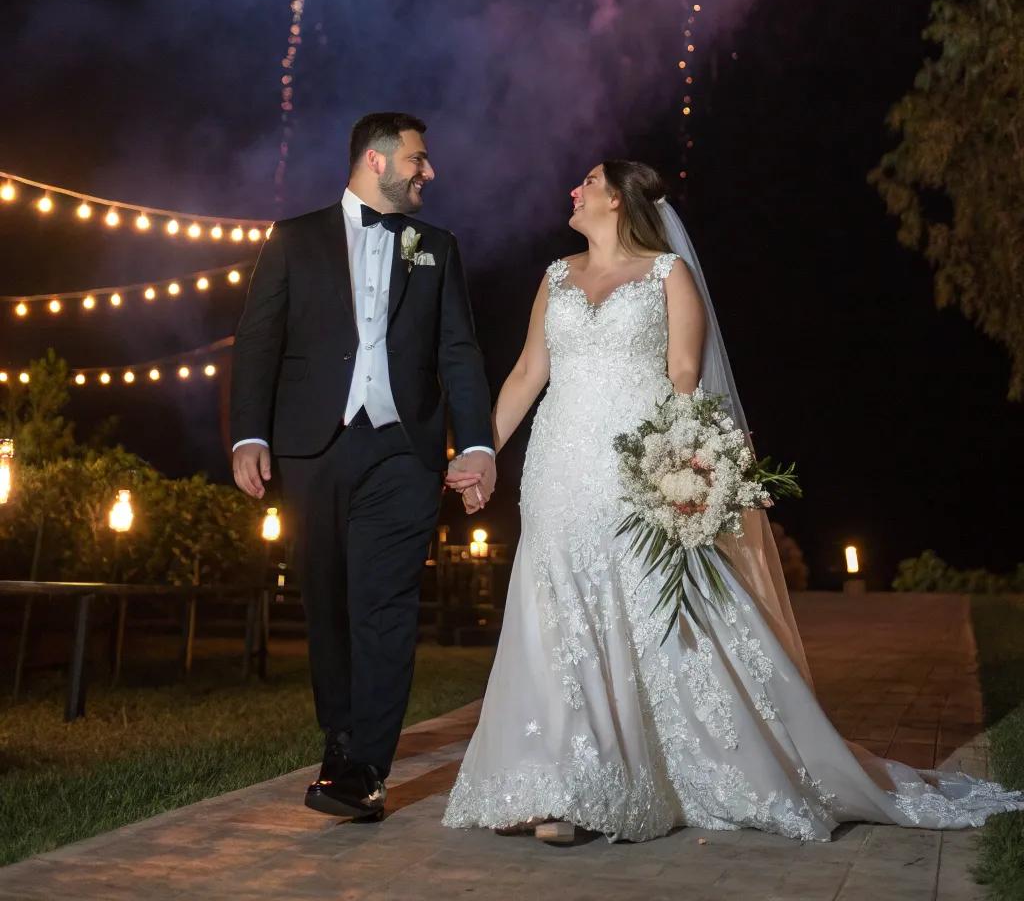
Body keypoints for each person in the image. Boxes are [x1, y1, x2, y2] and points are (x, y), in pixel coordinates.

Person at [444, 160, 1022, 844]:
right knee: (557, 608)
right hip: (555, 467)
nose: (573, 188)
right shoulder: (556, 277)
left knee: (631, 609)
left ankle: (604, 786)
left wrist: (691, 468)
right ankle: (553, 778)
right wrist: (479, 451)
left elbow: (686, 376)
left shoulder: (667, 276)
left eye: (589, 181)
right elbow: (525, 373)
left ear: (619, 201)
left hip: (633, 468)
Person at [231, 112, 495, 819]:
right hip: (311, 449)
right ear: (376, 161)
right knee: (326, 601)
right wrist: (247, 436)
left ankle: (364, 770)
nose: (428, 172)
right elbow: (258, 344)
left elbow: (458, 352)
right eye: (418, 159)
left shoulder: (437, 248)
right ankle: (340, 739)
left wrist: (475, 444)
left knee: (385, 605)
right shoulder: (292, 240)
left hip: (404, 452)